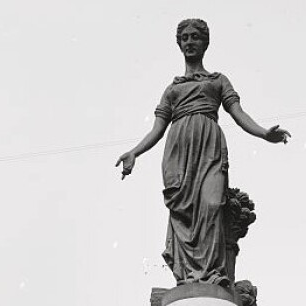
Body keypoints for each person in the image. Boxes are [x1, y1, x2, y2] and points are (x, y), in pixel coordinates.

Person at [115, 18, 290, 286]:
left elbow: (238, 113)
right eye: (184, 38)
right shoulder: (172, 89)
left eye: (195, 37)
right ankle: (189, 277)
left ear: (205, 42)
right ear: (179, 44)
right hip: (178, 152)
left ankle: (211, 274)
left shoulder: (218, 81)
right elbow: (157, 129)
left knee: (211, 204)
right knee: (183, 212)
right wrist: (134, 152)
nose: (189, 42)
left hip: (209, 149)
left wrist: (264, 133)